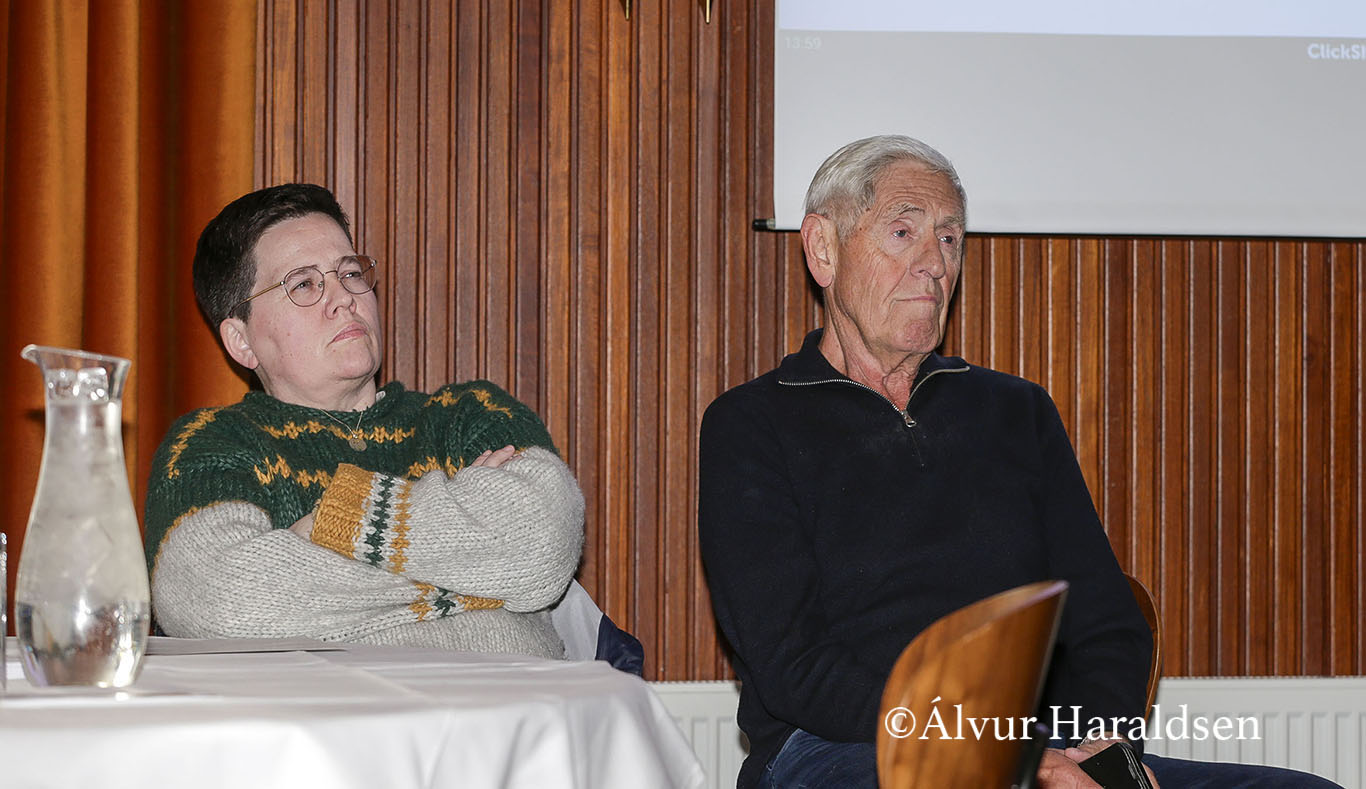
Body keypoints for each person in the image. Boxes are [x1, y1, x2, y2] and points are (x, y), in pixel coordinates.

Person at [698, 135, 1341, 788]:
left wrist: (1098, 755)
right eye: (903, 232)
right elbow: (795, 665)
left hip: (1042, 744)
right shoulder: (751, 425)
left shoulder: (1014, 411)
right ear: (823, 249)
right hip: (843, 746)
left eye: (950, 239)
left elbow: (1105, 620)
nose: (934, 264)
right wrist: (1000, 751)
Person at [144, 183, 584, 659]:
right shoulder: (210, 444)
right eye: (305, 284)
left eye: (350, 273)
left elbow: (540, 546)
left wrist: (331, 522)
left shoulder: (469, 414)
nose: (344, 298)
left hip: (510, 703)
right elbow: (222, 602)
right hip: (336, 709)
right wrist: (478, 580)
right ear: (242, 340)